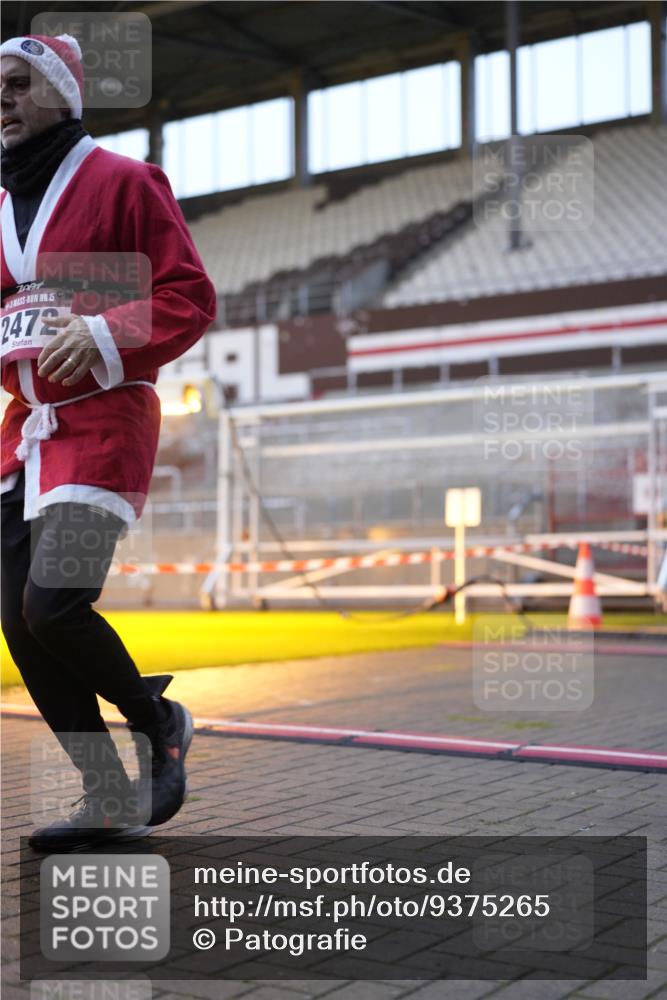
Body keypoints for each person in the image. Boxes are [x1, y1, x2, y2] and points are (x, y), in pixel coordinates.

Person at [0, 34, 217, 851]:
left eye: (20, 84)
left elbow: (189, 294)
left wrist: (102, 329)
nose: (4, 99)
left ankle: (159, 721)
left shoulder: (124, 181)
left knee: (55, 604)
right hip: (23, 436)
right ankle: (104, 795)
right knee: (21, 627)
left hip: (104, 425)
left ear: (62, 91)